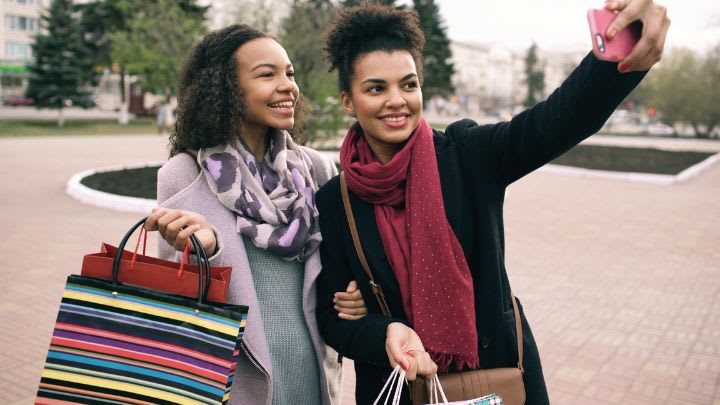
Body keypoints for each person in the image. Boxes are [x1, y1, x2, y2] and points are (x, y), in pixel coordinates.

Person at [314, 1, 670, 404]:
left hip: (496, 379)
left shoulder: (468, 155)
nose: (397, 100)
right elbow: (332, 320)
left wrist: (616, 57)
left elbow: (555, 121)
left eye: (409, 84)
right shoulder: (335, 200)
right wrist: (383, 332)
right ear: (348, 101)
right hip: (399, 389)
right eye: (376, 88)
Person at [144, 24, 366, 405]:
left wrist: (353, 295)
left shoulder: (316, 169)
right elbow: (175, 300)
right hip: (230, 383)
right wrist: (206, 251)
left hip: (311, 374)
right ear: (226, 88)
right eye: (267, 74)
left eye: (289, 73)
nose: (288, 86)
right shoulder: (183, 175)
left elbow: (335, 269)